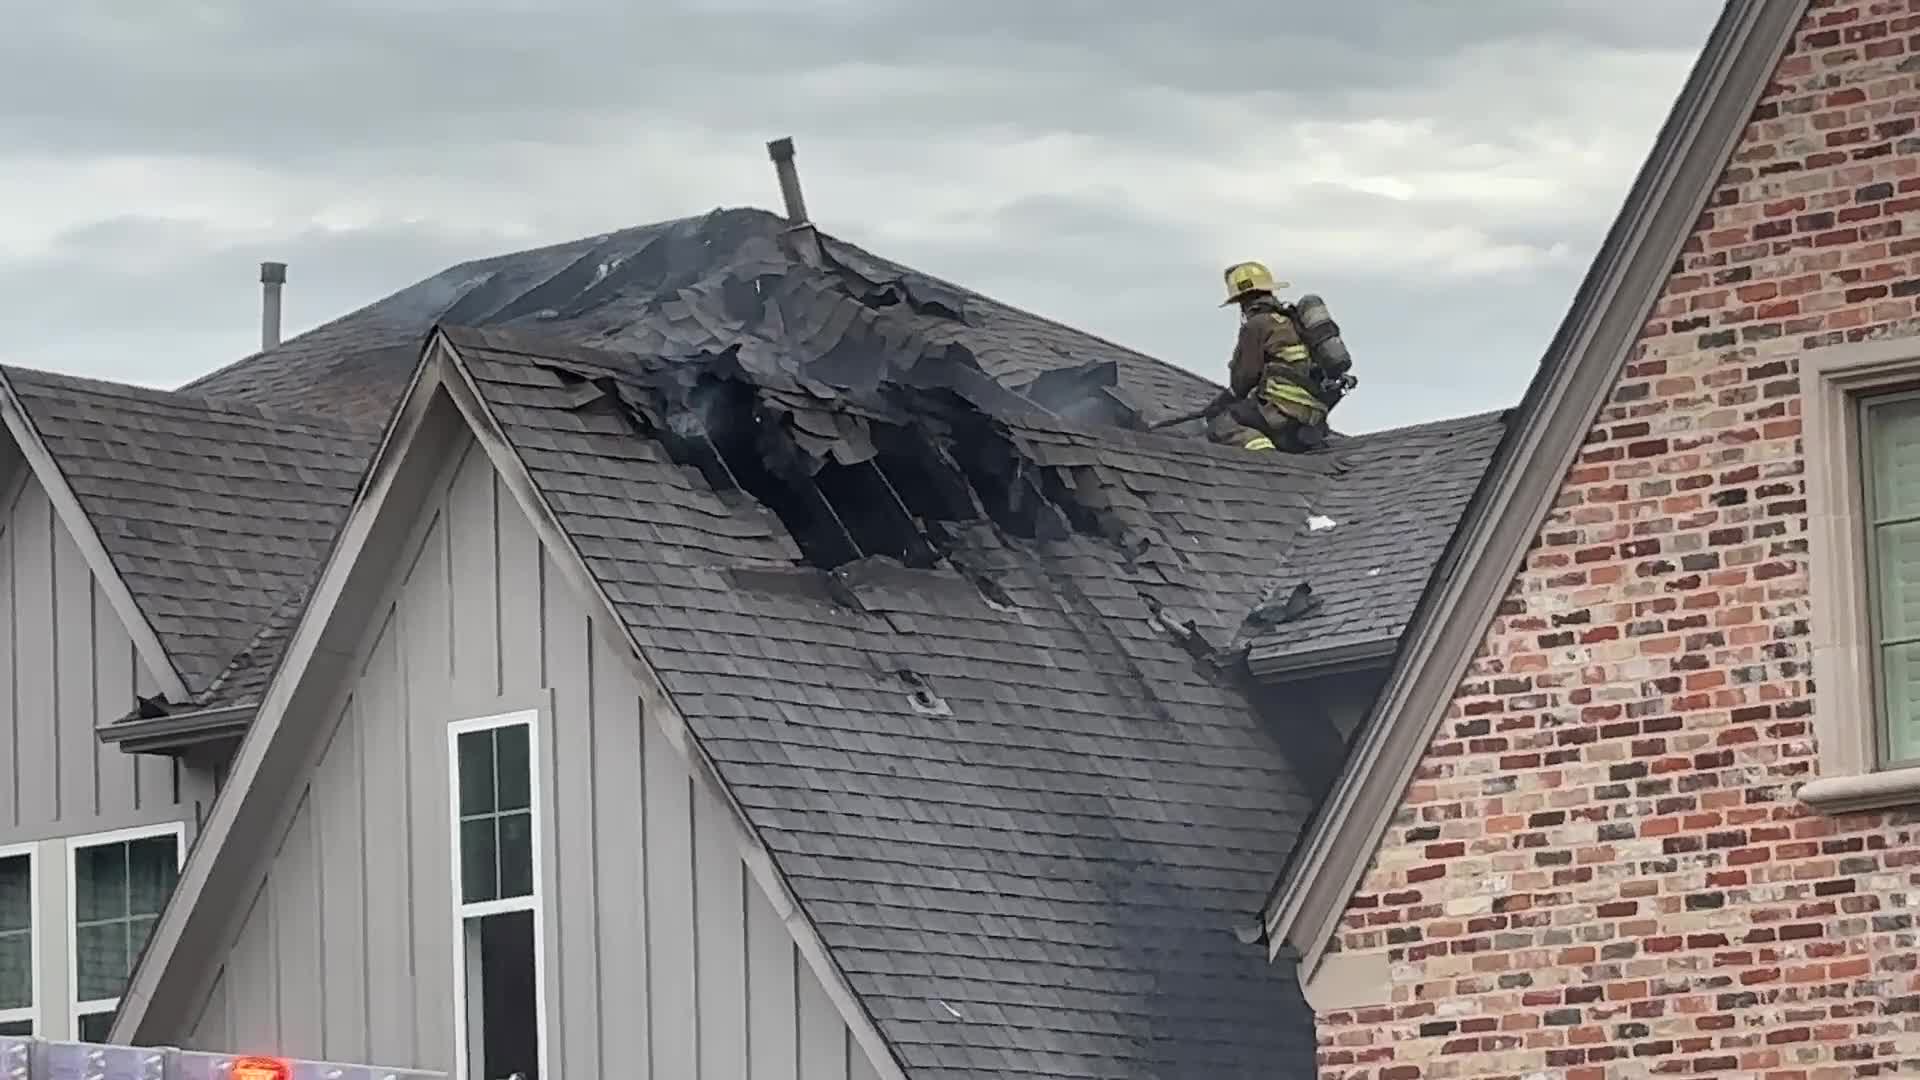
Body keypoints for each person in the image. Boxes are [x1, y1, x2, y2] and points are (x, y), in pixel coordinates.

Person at [1206, 260, 1332, 453]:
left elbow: (1244, 379)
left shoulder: (1257, 325)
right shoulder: (1294, 321)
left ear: (1243, 301)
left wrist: (1221, 402)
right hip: (1313, 419)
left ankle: (1265, 455)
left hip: (1280, 413)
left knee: (1222, 423)